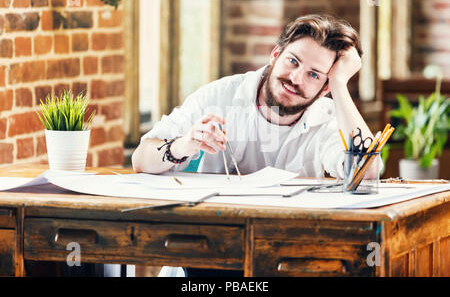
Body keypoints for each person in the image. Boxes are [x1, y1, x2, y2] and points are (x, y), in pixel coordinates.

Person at [132, 14, 381, 276]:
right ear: (275, 54)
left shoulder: (329, 118)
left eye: (314, 75)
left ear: (325, 88)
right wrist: (185, 145)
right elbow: (141, 158)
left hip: (286, 259)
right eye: (293, 61)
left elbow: (366, 172)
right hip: (206, 257)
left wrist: (341, 85)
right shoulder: (220, 94)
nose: (296, 78)